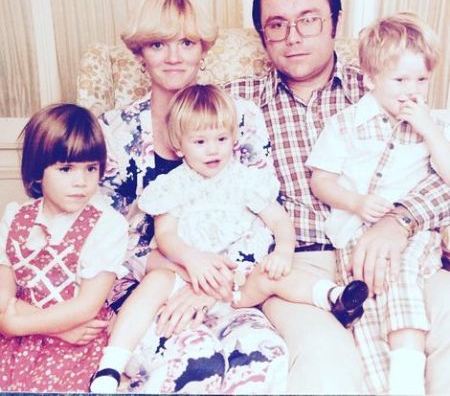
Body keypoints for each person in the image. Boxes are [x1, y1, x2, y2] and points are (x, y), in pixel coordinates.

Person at [224, 0, 450, 395]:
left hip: (399, 249)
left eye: (308, 19)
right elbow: (191, 166)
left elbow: (443, 169)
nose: (292, 38)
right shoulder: (235, 104)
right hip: (299, 266)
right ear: (262, 35)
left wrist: (399, 219)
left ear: (335, 22)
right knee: (327, 372)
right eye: (276, 25)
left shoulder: (388, 84)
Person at [90, 83, 369, 392]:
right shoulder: (173, 185)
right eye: (200, 141)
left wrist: (284, 252)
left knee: (274, 274)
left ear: (234, 139)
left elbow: (279, 221)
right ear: (179, 146)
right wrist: (191, 261)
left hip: (238, 280)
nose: (213, 149)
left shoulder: (246, 179)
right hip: (187, 276)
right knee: (154, 283)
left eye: (221, 139)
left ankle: (333, 297)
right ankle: (110, 365)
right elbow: (166, 235)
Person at [96, 0, 288, 393]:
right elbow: (104, 236)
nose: (174, 56)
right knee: (191, 365)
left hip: (232, 285)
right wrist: (180, 271)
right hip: (150, 289)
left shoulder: (242, 118)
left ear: (203, 49)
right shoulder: (114, 131)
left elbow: (264, 215)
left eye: (186, 42)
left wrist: (215, 284)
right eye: (158, 44)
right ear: (139, 52)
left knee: (262, 359)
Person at [306, 12, 450, 395]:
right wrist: (354, 202)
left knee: (396, 270)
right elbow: (321, 180)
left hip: (412, 236)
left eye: (421, 79)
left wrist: (431, 132)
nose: (412, 90)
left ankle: (407, 374)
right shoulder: (345, 124)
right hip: (353, 235)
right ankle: (383, 382)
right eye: (400, 80)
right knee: (365, 306)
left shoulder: (436, 124)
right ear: (370, 79)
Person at [0, 103, 128, 392]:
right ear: (37, 170)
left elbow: (86, 307)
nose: (81, 182)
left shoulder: (106, 225)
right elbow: (2, 295)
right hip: (27, 336)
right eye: (66, 169)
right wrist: (53, 330)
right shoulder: (16, 217)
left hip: (76, 342)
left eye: (91, 168)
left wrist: (17, 325)